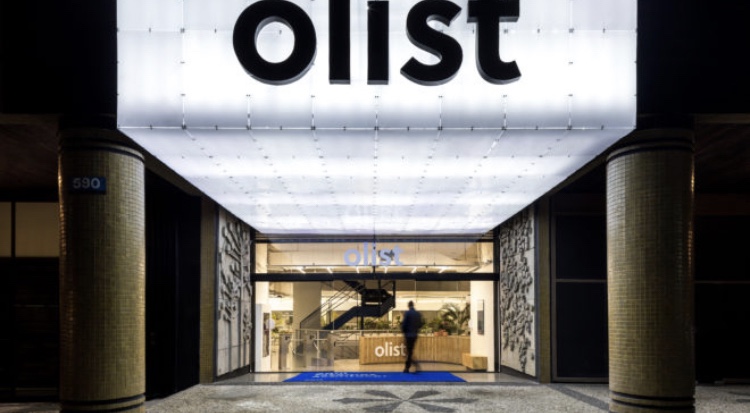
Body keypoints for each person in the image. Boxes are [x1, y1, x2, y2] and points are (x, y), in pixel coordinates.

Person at [401, 300, 423, 373]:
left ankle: (409, 366)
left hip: (408, 335)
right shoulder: (418, 314)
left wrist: (403, 331)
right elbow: (420, 325)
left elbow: (404, 325)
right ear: (413, 305)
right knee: (410, 351)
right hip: (414, 335)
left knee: (408, 352)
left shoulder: (407, 313)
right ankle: (409, 366)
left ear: (408, 305)